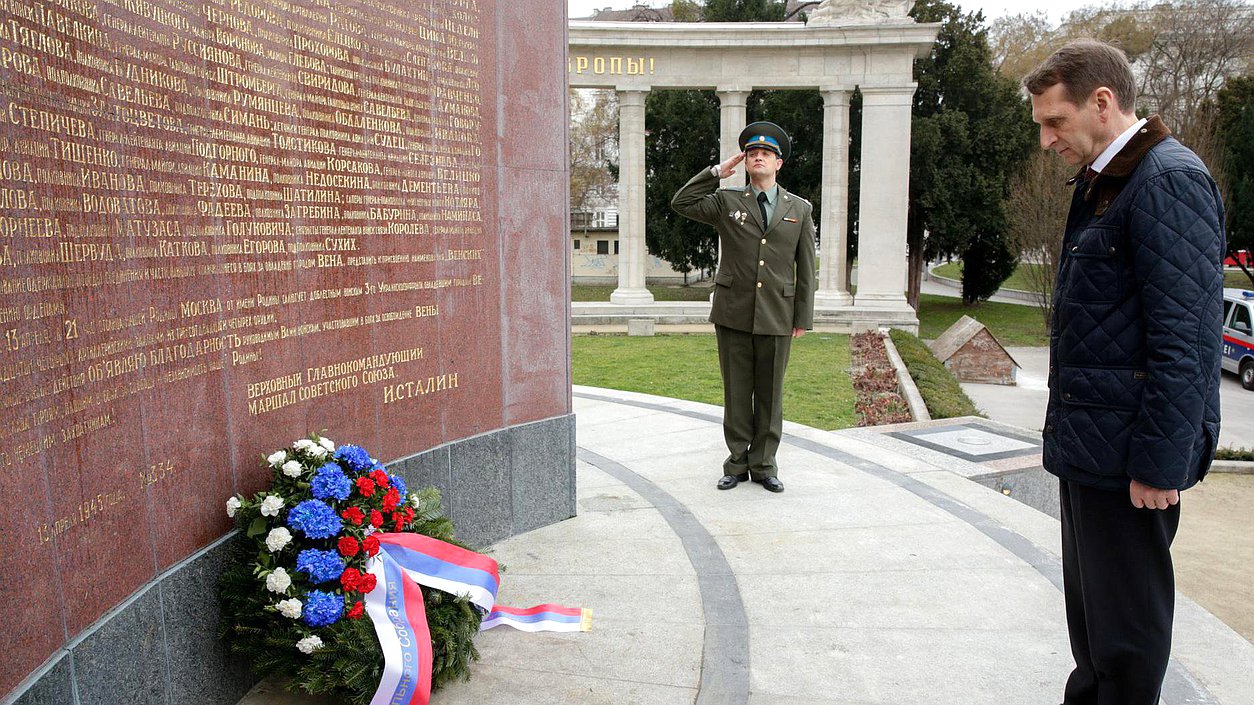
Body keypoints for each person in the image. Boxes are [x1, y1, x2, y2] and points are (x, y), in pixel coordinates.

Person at [1024, 39, 1224, 705]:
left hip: (1132, 459)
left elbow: (1184, 340)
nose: (1049, 140)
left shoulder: (1168, 180)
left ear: (1103, 102)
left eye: (1056, 122)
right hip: (1094, 449)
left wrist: (1161, 463)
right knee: (1095, 636)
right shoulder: (1109, 179)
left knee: (1128, 642)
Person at [671, 121, 816, 493]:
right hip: (733, 310)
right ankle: (736, 463)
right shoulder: (728, 201)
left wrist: (802, 317)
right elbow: (681, 202)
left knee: (770, 393)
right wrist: (718, 172)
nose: (758, 157)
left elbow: (807, 269)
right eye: (752, 153)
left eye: (766, 153)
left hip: (778, 313)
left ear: (778, 163)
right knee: (737, 391)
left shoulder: (799, 208)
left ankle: (764, 465)